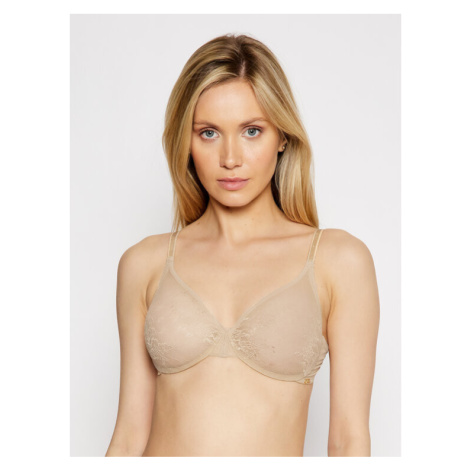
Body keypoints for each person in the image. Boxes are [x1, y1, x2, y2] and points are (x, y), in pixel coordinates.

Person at [105, 33, 380, 457]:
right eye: (209, 133)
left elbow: (349, 441)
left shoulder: (337, 261)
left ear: (282, 136)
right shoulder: (144, 264)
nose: (230, 158)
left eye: (252, 131)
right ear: (186, 142)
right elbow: (127, 438)